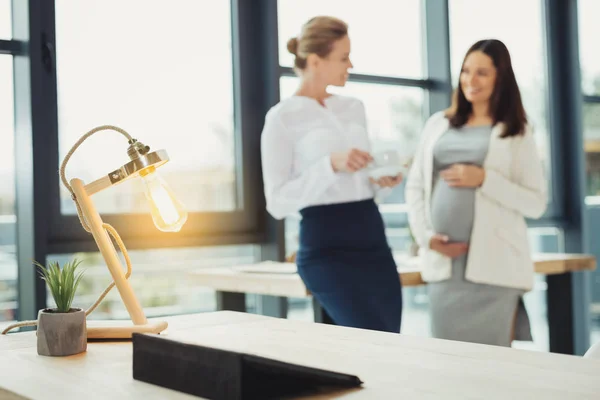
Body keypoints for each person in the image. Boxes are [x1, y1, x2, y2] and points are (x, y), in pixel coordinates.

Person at [260, 16, 403, 333]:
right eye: (343, 57)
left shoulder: (354, 107)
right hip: (326, 248)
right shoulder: (281, 118)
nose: (350, 64)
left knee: (391, 342)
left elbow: (358, 183)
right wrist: (329, 165)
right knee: (369, 337)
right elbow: (277, 201)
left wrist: (380, 182)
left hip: (372, 237)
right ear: (314, 61)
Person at [405, 39, 547, 346]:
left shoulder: (517, 131)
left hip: (495, 271)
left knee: (493, 370)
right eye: (466, 71)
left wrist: (484, 179)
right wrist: (425, 237)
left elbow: (535, 202)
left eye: (482, 72)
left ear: (501, 77)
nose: (471, 80)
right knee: (448, 363)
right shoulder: (438, 124)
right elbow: (415, 186)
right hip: (445, 270)